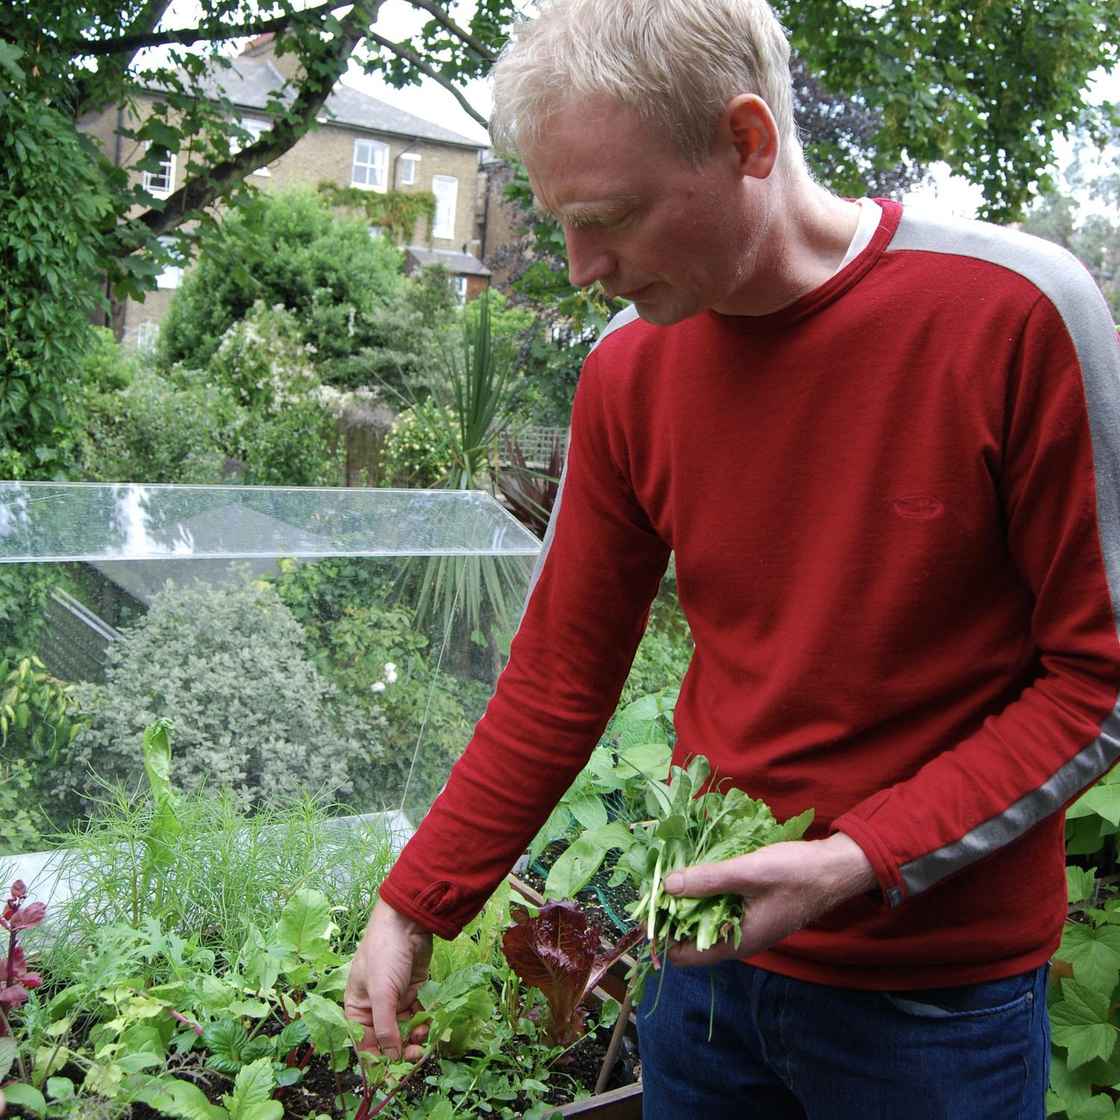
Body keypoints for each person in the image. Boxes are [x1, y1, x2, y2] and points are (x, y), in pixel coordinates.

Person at [344, 0, 1120, 1115]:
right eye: (558, 220)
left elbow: (1094, 680)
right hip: (702, 986)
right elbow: (560, 675)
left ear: (748, 142)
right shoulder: (628, 371)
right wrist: (414, 902)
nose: (577, 267)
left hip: (933, 1006)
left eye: (608, 217)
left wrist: (859, 857)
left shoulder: (1014, 313)